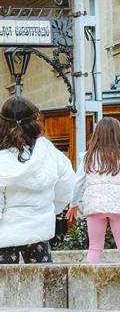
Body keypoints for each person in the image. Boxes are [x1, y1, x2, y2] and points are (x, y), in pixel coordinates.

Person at [66, 117, 120, 263]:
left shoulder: (88, 158)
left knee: (94, 248)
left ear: (97, 135)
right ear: (119, 134)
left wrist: (73, 204)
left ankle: (90, 283)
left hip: (95, 205)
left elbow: (78, 183)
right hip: (119, 206)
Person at [0, 96, 75, 264]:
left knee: (3, 287)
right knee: (44, 286)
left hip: (4, 234)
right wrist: (50, 210)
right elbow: (67, 187)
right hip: (38, 230)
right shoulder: (50, 154)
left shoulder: (2, 159)